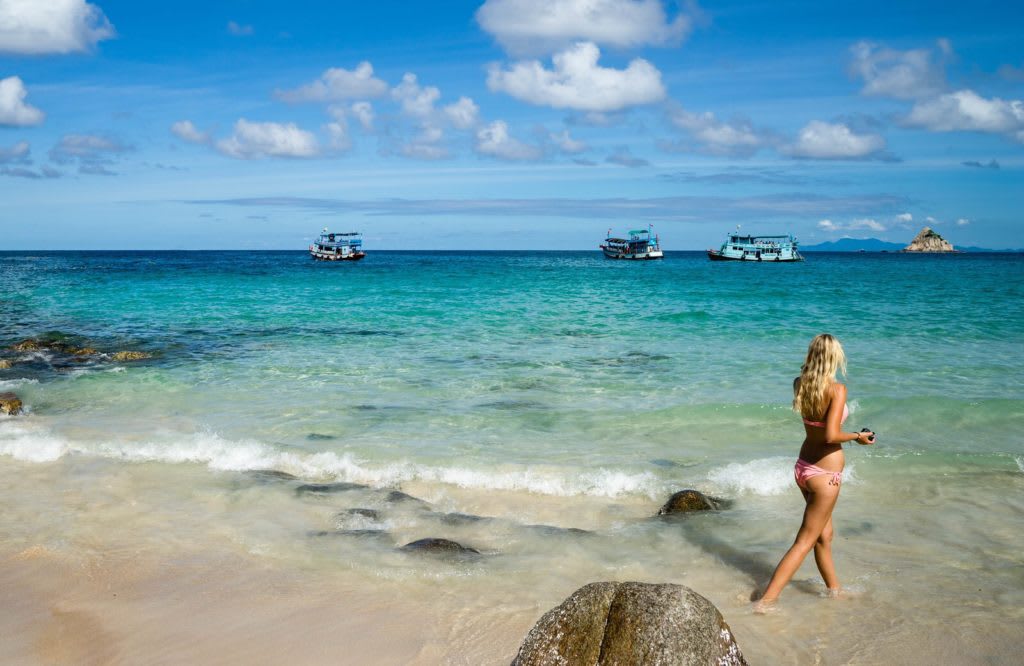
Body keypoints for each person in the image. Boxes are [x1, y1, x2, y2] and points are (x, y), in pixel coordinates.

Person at [754, 333, 875, 611]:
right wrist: (858, 436)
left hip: (803, 468)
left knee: (824, 535)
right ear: (834, 358)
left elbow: (818, 430)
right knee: (805, 541)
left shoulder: (800, 384)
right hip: (825, 475)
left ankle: (834, 590)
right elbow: (831, 435)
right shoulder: (837, 390)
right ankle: (767, 601)